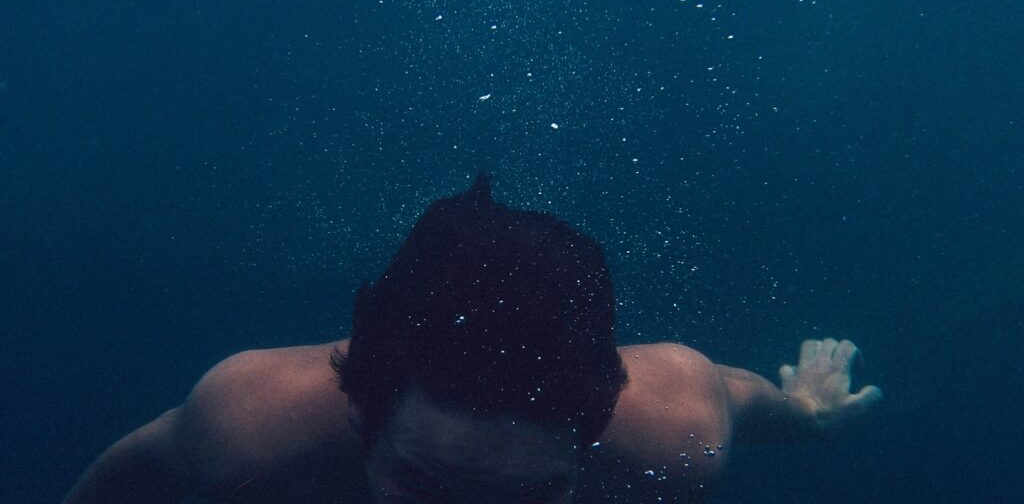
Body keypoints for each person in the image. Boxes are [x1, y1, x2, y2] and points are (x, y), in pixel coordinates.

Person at [63, 174, 882, 504]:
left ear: (594, 435)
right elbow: (121, 480)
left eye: (527, 501)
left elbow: (744, 398)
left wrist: (808, 411)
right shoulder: (250, 426)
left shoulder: (675, 431)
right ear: (360, 414)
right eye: (425, 486)